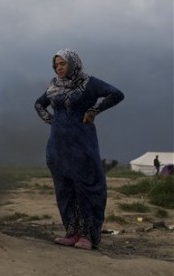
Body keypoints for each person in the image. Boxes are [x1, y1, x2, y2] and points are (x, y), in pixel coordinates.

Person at [34, 48, 124, 250]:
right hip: (57, 147)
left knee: (86, 189)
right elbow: (39, 104)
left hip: (82, 145)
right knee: (64, 191)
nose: (59, 68)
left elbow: (116, 94)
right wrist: (52, 120)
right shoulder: (54, 86)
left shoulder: (88, 83)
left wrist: (94, 110)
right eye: (56, 64)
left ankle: (87, 236)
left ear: (73, 63)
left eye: (63, 63)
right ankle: (71, 232)